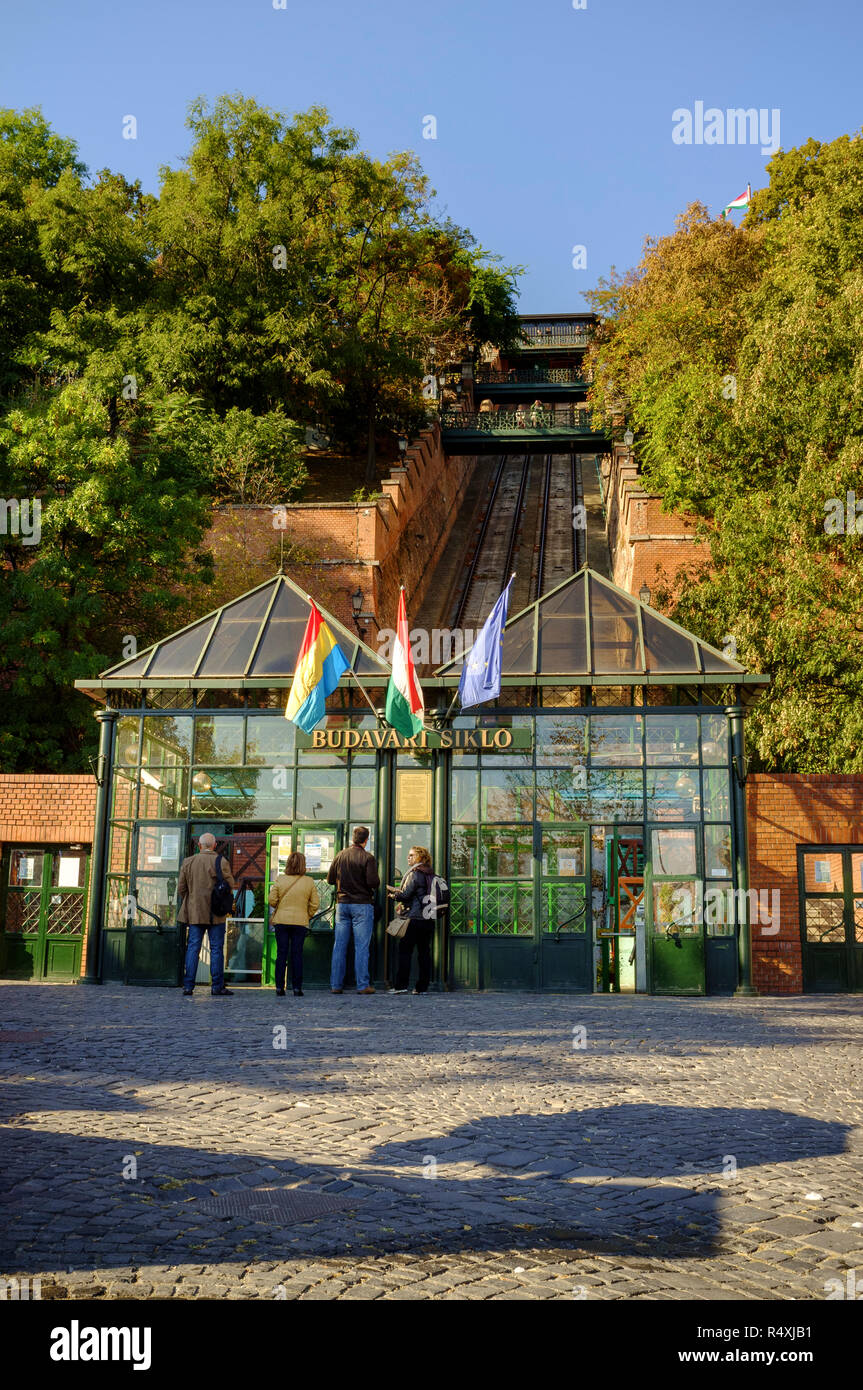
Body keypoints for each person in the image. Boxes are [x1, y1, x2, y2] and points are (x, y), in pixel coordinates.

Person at [178, 833, 237, 997]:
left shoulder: (188, 862)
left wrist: (192, 901)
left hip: (195, 912)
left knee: (193, 948)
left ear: (199, 845)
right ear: (215, 845)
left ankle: (188, 986)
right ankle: (217, 986)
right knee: (216, 949)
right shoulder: (221, 861)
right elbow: (230, 885)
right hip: (216, 913)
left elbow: (181, 889)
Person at [327, 826, 379, 995]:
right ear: (366, 839)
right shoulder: (367, 857)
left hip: (342, 904)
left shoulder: (340, 855)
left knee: (339, 946)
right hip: (362, 904)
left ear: (352, 838)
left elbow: (329, 879)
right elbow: (373, 882)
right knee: (362, 947)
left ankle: (336, 985)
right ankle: (363, 985)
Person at [268, 851, 319, 997]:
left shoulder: (280, 879)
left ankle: (279, 987)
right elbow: (315, 904)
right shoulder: (308, 881)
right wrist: (306, 914)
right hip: (300, 922)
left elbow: (272, 900)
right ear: (303, 865)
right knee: (297, 954)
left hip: (281, 921)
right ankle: (297, 988)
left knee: (281, 954)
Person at [387, 846, 435, 995]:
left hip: (414, 919)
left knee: (405, 952)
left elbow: (406, 895)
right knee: (424, 953)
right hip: (428, 918)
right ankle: (422, 987)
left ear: (420, 857)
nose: (409, 858)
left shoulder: (415, 874)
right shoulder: (431, 874)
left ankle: (401, 985)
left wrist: (393, 895)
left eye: (412, 855)